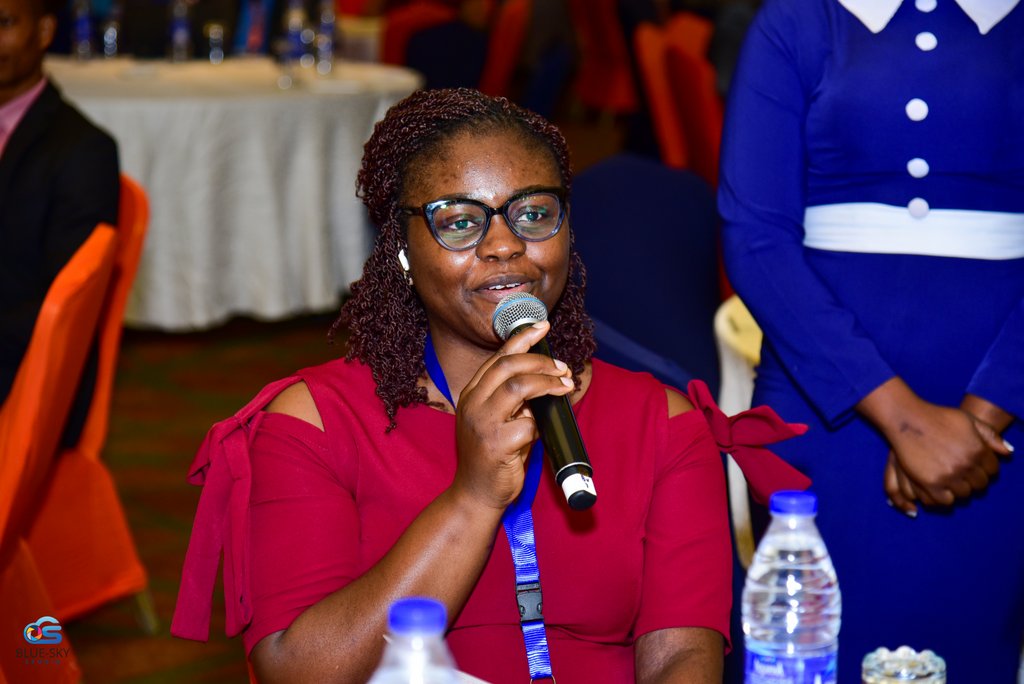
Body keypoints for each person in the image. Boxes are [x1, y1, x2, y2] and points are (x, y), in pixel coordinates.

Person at [171, 87, 809, 683]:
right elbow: (300, 672)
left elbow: (681, 656)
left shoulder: (661, 423)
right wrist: (472, 497)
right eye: (459, 221)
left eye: (533, 213)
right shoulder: (316, 423)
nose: (505, 245)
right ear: (402, 249)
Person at [719, 0, 1024, 682]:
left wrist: (982, 417)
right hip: (823, 393)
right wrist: (904, 419)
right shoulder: (798, 19)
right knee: (810, 649)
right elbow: (755, 237)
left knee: (973, 647)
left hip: (1005, 402)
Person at [0, 0, 120, 441]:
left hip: (26, 372)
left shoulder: (82, 150)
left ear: (45, 31)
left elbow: (62, 304)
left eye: (5, 23)